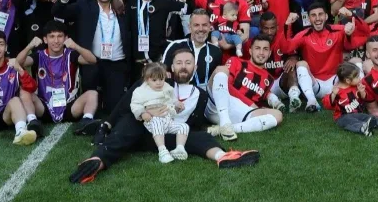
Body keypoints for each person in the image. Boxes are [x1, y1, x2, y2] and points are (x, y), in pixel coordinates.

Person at [69, 47, 261, 184]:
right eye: (179, 63)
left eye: (188, 63)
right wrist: (108, 125)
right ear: (171, 67)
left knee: (199, 135)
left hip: (170, 136)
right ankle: (96, 161)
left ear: (194, 66)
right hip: (143, 131)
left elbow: (199, 123)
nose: (183, 66)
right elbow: (125, 106)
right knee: (129, 123)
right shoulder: (151, 84)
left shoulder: (201, 95)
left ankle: (224, 157)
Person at [54, 0, 135, 114]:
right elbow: (59, 12)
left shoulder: (123, 6)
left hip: (117, 63)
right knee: (93, 107)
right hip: (92, 62)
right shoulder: (84, 4)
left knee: (114, 108)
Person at [17, 22, 100, 134]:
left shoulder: (71, 54)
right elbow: (18, 62)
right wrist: (29, 46)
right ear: (45, 39)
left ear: (66, 38)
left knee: (92, 93)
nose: (56, 41)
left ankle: (86, 121)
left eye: (60, 36)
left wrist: (76, 46)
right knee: (24, 92)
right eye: (52, 36)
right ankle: (33, 122)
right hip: (44, 106)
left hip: (69, 106)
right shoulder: (39, 55)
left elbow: (92, 60)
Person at [204, 36, 284, 137]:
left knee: (278, 115)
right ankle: (224, 122)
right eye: (257, 48)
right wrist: (250, 104)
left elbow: (260, 101)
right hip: (218, 102)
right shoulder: (236, 61)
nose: (261, 53)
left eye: (265, 49)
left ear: (269, 53)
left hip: (239, 111)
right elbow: (226, 85)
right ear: (250, 51)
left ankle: (227, 129)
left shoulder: (269, 79)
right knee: (221, 70)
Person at [128, 62, 191, 163]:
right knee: (157, 121)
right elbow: (135, 105)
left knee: (184, 127)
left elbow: (172, 99)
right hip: (152, 120)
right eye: (154, 80)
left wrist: (177, 104)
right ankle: (162, 151)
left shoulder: (167, 88)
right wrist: (143, 113)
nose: (158, 83)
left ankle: (179, 148)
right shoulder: (140, 91)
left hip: (168, 120)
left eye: (161, 79)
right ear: (147, 79)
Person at [324, 61, 378, 136]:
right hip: (342, 117)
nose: (360, 78)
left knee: (369, 118)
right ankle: (363, 127)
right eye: (357, 77)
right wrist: (333, 94)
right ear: (348, 80)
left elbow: (365, 98)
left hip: (358, 114)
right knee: (351, 121)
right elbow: (327, 105)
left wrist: (362, 92)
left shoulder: (356, 87)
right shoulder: (338, 91)